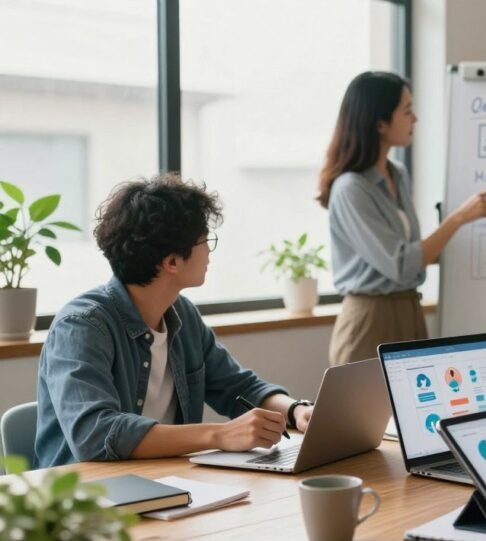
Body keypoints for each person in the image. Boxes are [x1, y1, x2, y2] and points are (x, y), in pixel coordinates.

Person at [35, 174, 314, 468]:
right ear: (171, 262)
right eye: (205, 240)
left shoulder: (181, 314)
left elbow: (236, 386)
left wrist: (296, 410)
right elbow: (95, 434)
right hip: (86, 497)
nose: (209, 250)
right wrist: (219, 435)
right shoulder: (82, 326)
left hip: (169, 482)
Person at [318, 71, 486, 365]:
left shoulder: (397, 175)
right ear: (379, 122)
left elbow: (415, 251)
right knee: (368, 412)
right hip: (369, 319)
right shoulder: (351, 188)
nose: (414, 119)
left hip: (409, 311)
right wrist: (457, 219)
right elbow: (401, 264)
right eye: (406, 111)